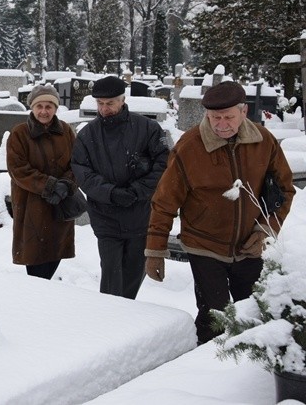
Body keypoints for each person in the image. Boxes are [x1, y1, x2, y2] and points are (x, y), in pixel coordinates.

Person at [145, 81, 295, 344]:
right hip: (204, 245)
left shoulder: (263, 140)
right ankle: (207, 370)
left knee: (252, 315)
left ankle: (244, 373)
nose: (221, 124)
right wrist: (155, 251)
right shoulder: (190, 146)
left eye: (228, 117)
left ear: (244, 112)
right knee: (214, 316)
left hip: (251, 246)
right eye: (215, 117)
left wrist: (265, 231)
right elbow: (164, 201)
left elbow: (284, 191)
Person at [71, 75, 169, 299]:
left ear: (123, 100)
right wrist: (111, 193)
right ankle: (109, 320)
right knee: (111, 276)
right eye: (100, 104)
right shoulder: (88, 135)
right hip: (106, 216)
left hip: (140, 214)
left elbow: (163, 164)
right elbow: (81, 170)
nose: (105, 109)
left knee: (133, 274)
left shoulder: (148, 128)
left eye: (110, 103)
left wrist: (137, 191)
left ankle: (126, 316)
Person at [7, 84, 78, 280]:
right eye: (39, 106)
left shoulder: (66, 131)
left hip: (60, 205)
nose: (44, 111)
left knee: (55, 253)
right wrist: (49, 185)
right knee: (35, 263)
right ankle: (36, 303)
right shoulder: (20, 133)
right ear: (32, 108)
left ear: (56, 108)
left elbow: (78, 163)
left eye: (49, 106)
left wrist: (66, 184)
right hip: (32, 206)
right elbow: (18, 169)